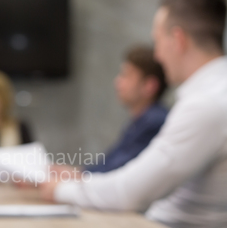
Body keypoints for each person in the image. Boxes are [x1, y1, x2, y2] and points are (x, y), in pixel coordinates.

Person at [41, 0, 227, 228]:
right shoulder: (213, 93)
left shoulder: (206, 103)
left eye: (158, 41)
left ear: (178, 40)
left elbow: (130, 192)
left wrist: (62, 189)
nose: (158, 55)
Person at [58, 45, 168, 176]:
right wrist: (78, 173)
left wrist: (78, 175)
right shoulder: (142, 121)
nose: (118, 81)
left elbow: (118, 169)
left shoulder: (154, 122)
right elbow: (109, 162)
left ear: (149, 86)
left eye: (126, 75)